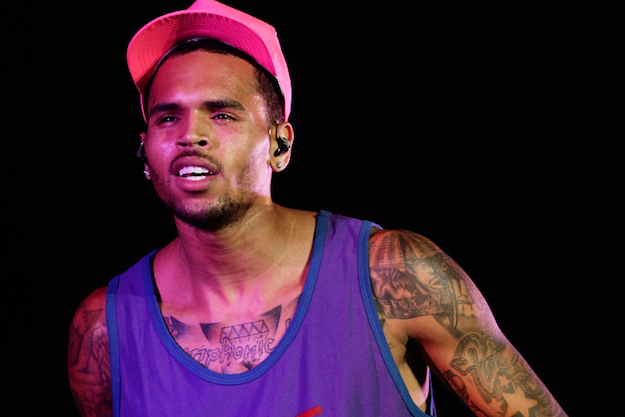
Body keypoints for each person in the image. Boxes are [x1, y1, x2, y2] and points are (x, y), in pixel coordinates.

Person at [67, 1, 568, 416]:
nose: (190, 135)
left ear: (280, 144)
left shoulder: (393, 276)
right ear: (144, 151)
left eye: (221, 114)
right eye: (167, 117)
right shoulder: (104, 331)